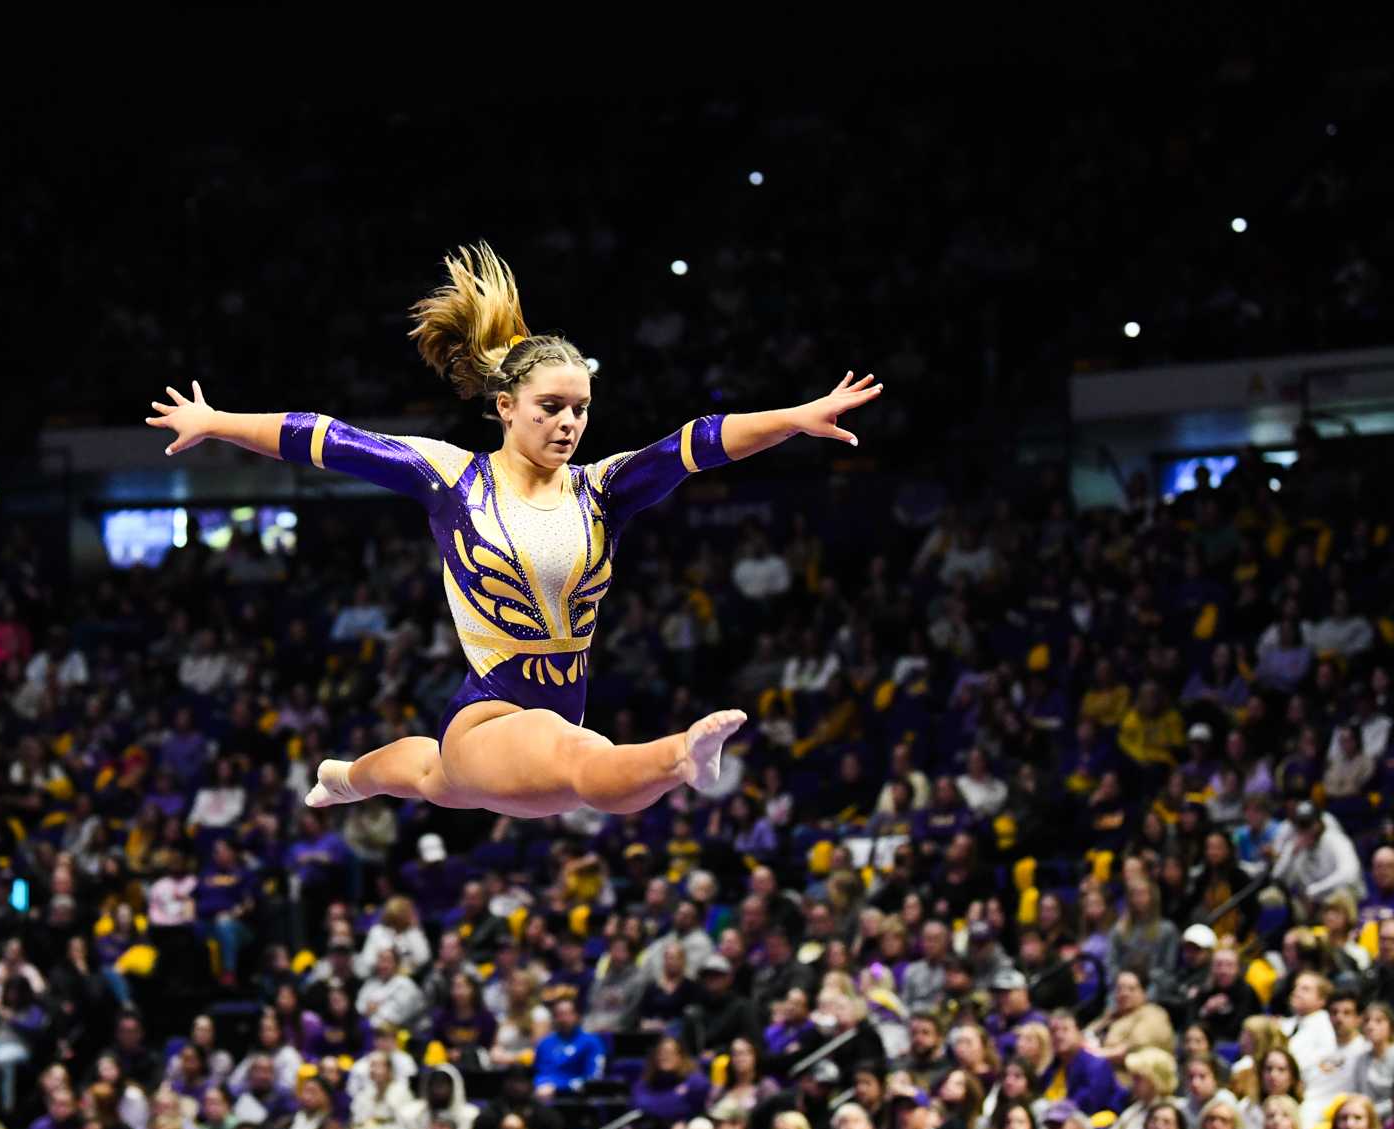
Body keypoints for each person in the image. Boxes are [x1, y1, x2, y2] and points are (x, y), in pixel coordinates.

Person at [149, 244, 881, 822]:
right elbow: (328, 439)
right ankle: (681, 757)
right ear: (505, 405)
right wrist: (216, 423)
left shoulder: (603, 489)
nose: (568, 423)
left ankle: (341, 776)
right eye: (551, 407)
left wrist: (793, 418)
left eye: (581, 409)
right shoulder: (454, 479)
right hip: (493, 714)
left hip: (542, 715)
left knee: (433, 778)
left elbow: (698, 443)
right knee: (580, 764)